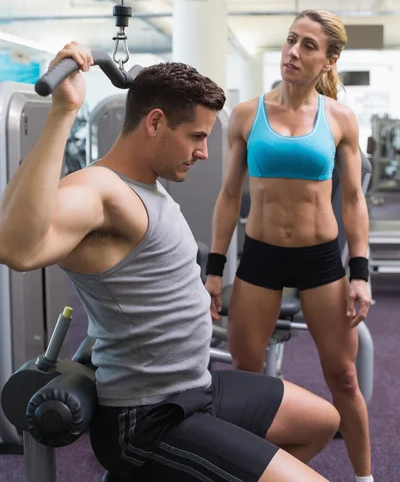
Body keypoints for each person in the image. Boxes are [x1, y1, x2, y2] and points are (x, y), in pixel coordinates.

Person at [0, 42, 339, 482]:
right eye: (197, 137)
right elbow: (17, 248)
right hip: (147, 418)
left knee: (322, 422)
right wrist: (63, 113)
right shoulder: (102, 192)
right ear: (155, 122)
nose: (203, 152)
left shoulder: (148, 185)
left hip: (194, 387)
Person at [205, 10, 373, 482]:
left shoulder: (339, 118)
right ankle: (252, 471)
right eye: (290, 40)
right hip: (260, 257)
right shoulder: (246, 115)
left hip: (321, 261)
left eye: (308, 46)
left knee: (342, 376)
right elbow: (227, 197)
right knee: (247, 376)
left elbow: (355, 200)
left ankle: (365, 478)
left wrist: (358, 272)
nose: (293, 53)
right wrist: (215, 269)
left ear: (329, 60)